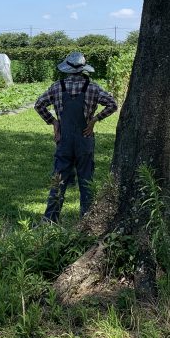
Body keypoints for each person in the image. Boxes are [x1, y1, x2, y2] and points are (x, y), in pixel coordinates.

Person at [34, 51, 118, 223]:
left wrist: (54, 123)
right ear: (83, 69)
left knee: (58, 179)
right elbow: (113, 104)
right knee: (86, 180)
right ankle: (87, 221)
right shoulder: (93, 88)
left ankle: (50, 220)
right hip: (85, 139)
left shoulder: (57, 86)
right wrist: (95, 119)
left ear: (67, 69)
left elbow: (39, 105)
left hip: (63, 140)